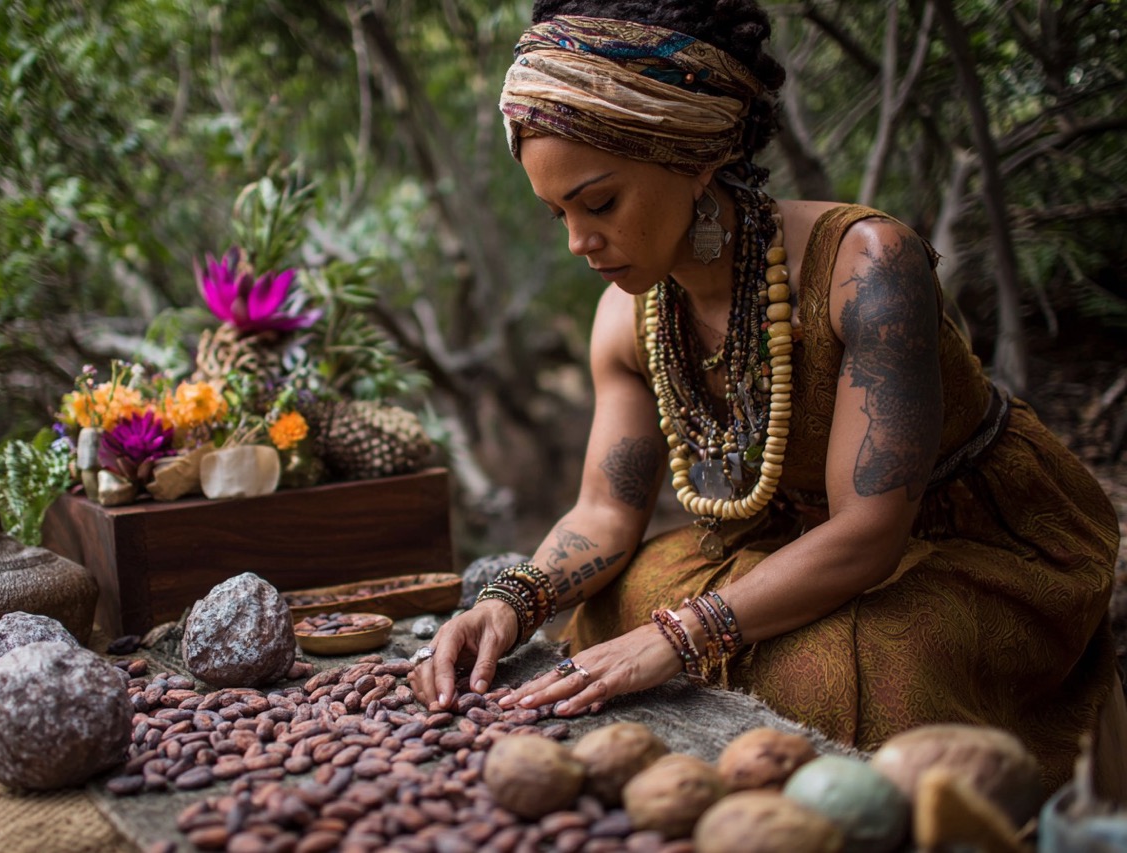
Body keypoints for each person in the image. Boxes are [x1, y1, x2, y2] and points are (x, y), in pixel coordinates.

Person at [409, 0, 1125, 795]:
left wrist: (679, 639)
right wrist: (512, 601)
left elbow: (868, 534)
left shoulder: (868, 267)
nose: (579, 241)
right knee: (618, 607)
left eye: (600, 203)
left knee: (860, 674)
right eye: (559, 214)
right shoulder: (628, 314)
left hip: (962, 543)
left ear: (693, 154)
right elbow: (605, 512)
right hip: (790, 535)